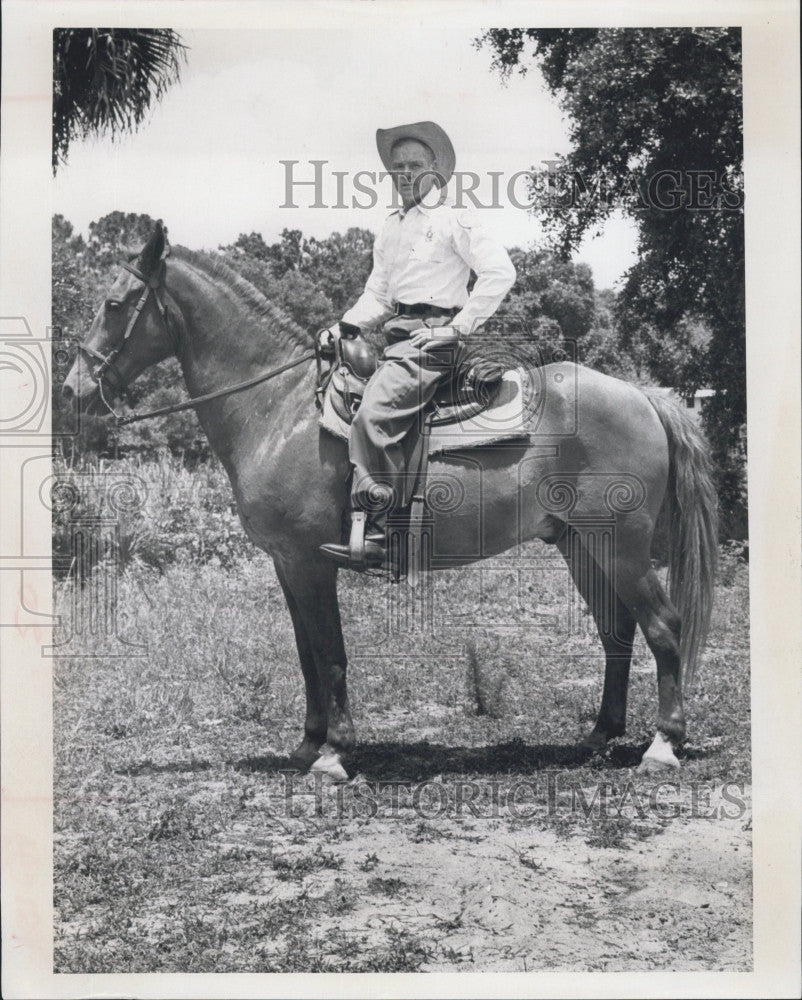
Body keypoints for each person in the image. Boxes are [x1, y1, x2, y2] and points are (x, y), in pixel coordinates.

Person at [320, 121, 516, 569]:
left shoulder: (454, 218)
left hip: (435, 340)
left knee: (373, 414)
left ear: (435, 171)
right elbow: (379, 295)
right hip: (399, 337)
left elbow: (500, 272)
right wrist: (342, 326)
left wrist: (458, 327)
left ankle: (384, 533)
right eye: (398, 167)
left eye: (415, 165)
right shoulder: (390, 227)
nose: (405, 174)